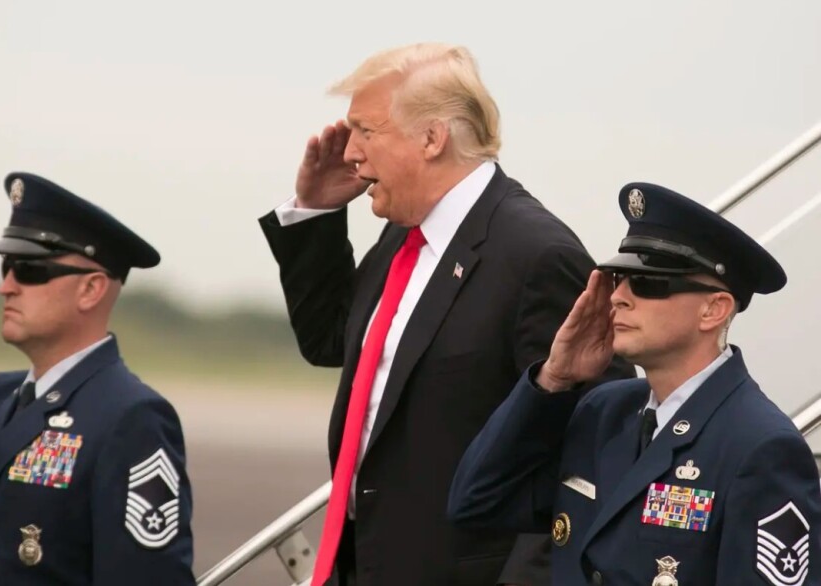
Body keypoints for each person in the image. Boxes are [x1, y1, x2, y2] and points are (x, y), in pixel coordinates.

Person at [259, 43, 634, 586]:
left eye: (366, 130)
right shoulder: (405, 237)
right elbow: (331, 342)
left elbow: (592, 446)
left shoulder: (535, 254)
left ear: (432, 139)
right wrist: (316, 210)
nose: (351, 154)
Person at [448, 182, 821, 585]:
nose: (619, 297)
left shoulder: (759, 446)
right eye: (619, 278)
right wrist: (553, 378)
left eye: (648, 283)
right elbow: (476, 503)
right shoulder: (603, 412)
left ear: (714, 309)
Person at [0, 173, 196, 585]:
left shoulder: (130, 418)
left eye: (27, 269)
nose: (6, 286)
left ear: (91, 289)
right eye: (7, 267)